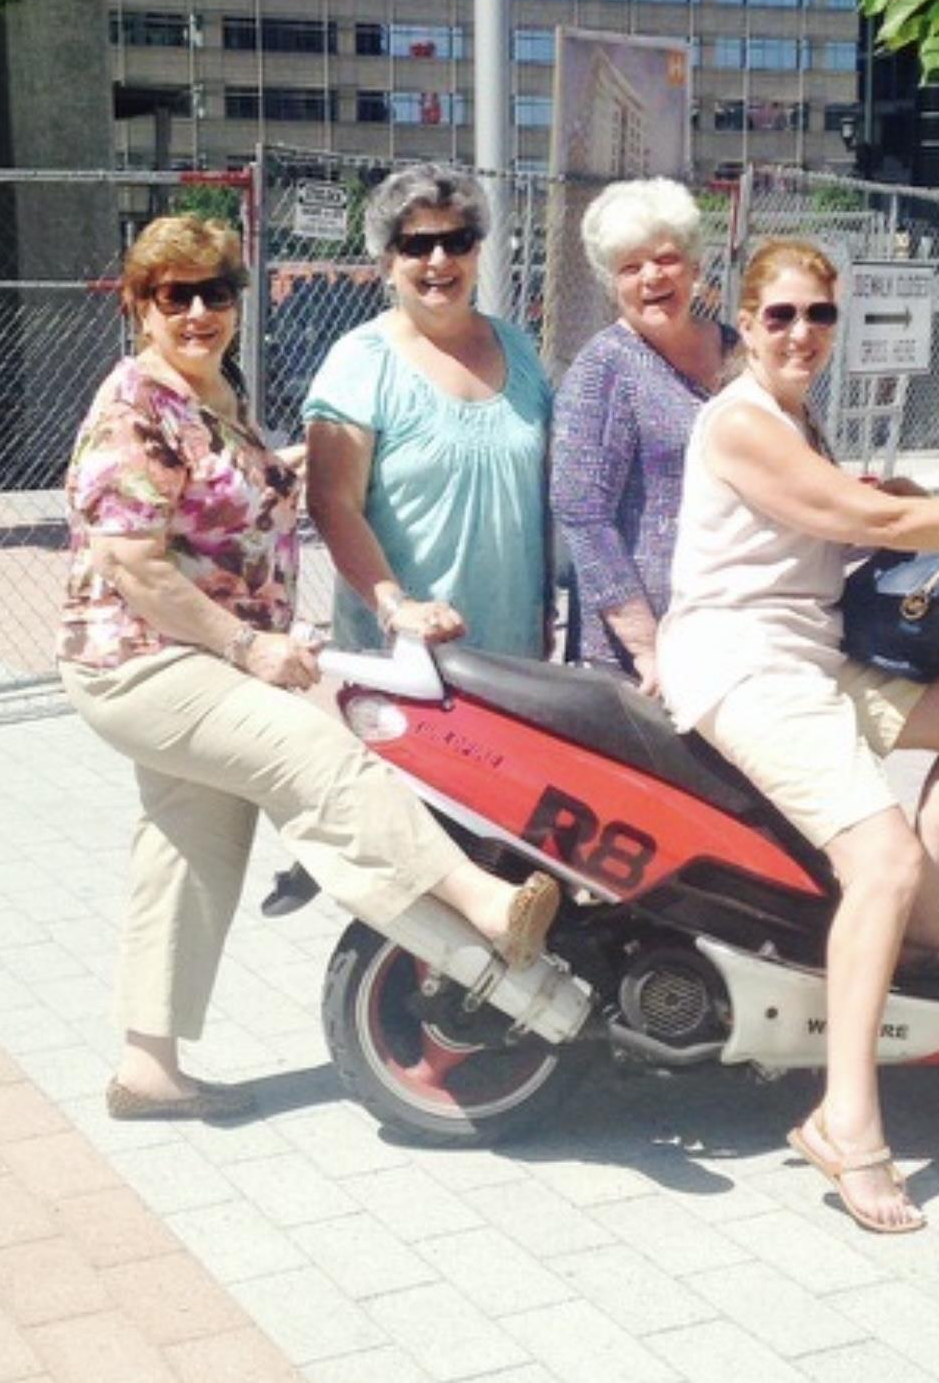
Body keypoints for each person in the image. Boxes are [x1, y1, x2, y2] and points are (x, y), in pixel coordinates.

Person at [55, 214, 559, 1122]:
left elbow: (232, 494)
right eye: (177, 295)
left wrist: (308, 463)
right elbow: (134, 561)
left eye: (218, 292)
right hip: (147, 665)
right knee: (318, 759)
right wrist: (250, 647)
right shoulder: (135, 405)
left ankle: (146, 1067)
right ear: (140, 305)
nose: (201, 311)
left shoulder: (208, 392)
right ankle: (483, 904)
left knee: (188, 847)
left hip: (195, 660)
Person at [659, 238, 939, 1234]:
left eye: (818, 316)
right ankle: (846, 1118)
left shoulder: (795, 416)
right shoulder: (738, 420)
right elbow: (841, 509)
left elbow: (858, 509)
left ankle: (923, 927)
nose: (800, 333)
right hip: (743, 664)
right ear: (745, 323)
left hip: (811, 658)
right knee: (878, 855)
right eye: (779, 315)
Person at [304, 163, 551, 658]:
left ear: (478, 250)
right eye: (416, 245)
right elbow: (332, 504)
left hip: (513, 656)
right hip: (404, 654)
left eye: (457, 241)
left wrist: (545, 610)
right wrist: (397, 608)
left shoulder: (521, 350)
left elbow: (539, 496)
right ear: (387, 262)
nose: (439, 260)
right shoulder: (359, 362)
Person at [550, 178, 738, 693]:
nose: (652, 277)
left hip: (739, 628)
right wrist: (647, 647)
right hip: (646, 656)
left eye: (667, 259)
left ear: (696, 268)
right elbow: (582, 513)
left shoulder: (740, 351)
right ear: (612, 282)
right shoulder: (605, 368)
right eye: (631, 267)